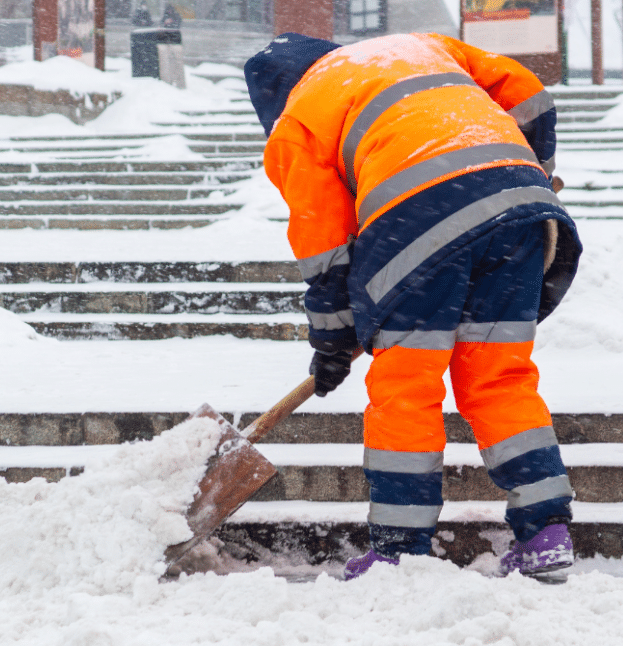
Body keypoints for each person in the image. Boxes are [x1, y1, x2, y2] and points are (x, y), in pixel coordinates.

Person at [244, 32, 583, 580]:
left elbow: (325, 248)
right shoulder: (418, 46)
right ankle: (546, 531)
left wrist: (332, 341)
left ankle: (401, 550)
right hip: (522, 213)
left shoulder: (296, 122)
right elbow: (530, 96)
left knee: (408, 386)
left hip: (415, 222)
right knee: (500, 378)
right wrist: (534, 168)